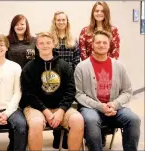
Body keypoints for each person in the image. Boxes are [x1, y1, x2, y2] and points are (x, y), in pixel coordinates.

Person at [74, 30, 140, 151]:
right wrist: (100, 106)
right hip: (91, 108)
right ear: (92, 44)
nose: (101, 45)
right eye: (98, 42)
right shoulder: (81, 67)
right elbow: (79, 94)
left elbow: (127, 91)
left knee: (134, 119)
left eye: (105, 42)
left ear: (109, 45)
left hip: (115, 108)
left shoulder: (119, 66)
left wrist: (114, 104)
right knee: (91, 120)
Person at [20, 32, 84, 151]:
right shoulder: (29, 68)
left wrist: (61, 111)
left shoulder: (65, 66)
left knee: (78, 120)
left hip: (59, 107)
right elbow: (28, 94)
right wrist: (46, 112)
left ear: (54, 44)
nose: (45, 45)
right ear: (37, 46)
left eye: (48, 43)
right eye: (41, 43)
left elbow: (70, 91)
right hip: (35, 108)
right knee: (36, 123)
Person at [49, 11, 81, 149]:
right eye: (58, 20)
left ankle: (66, 135)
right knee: (55, 105)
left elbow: (76, 61)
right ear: (54, 22)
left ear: (67, 22)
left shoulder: (73, 39)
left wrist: (69, 77)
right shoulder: (51, 39)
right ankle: (57, 136)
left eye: (63, 20)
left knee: (66, 105)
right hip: (53, 79)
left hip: (68, 79)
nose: (61, 22)